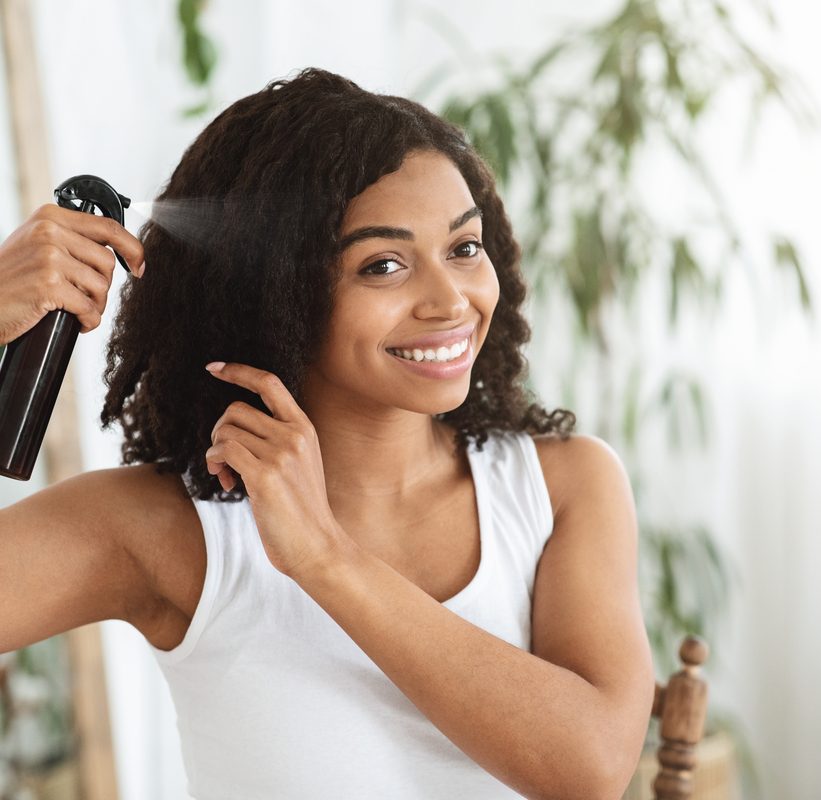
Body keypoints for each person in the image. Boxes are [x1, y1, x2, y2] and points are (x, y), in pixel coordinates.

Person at [0, 68, 654, 799]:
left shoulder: (563, 485)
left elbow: (589, 768)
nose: (451, 301)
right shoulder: (168, 530)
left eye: (465, 248)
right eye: (384, 265)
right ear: (277, 288)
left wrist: (327, 559)